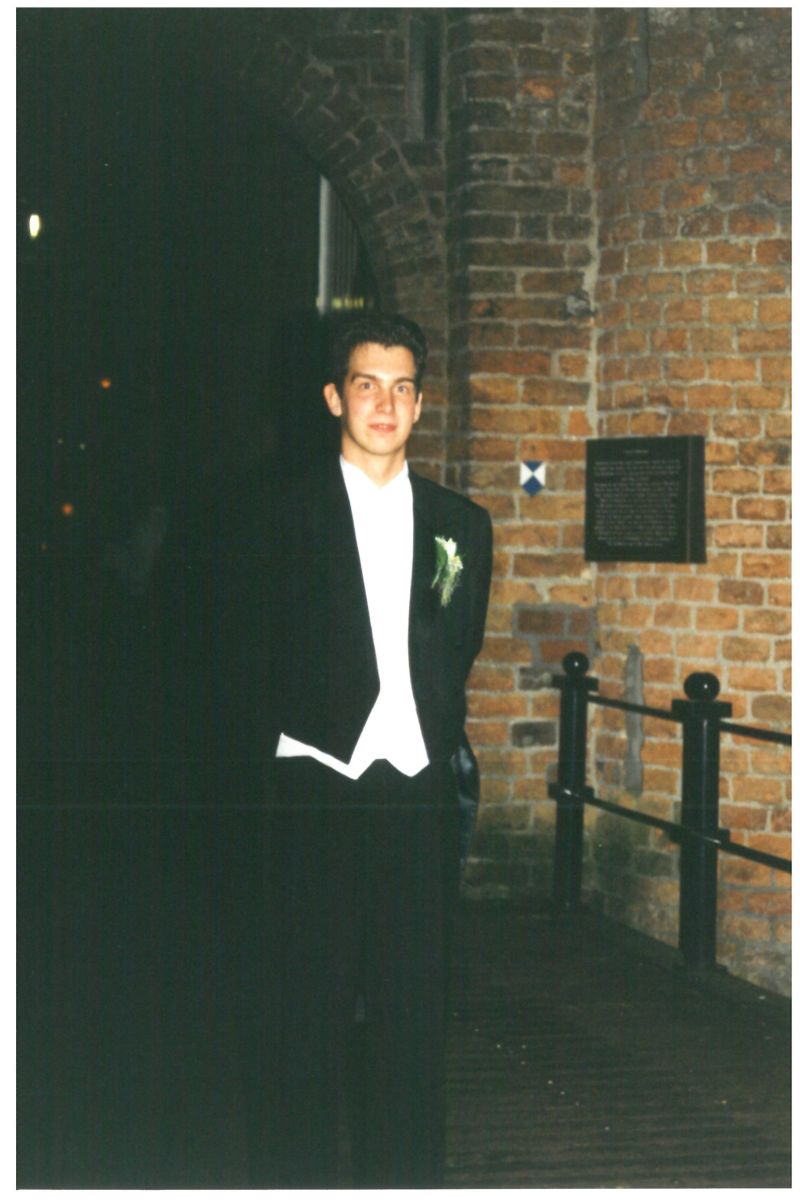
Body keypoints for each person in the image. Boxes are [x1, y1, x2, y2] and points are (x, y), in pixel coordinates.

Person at [243, 313, 493, 1187]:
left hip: (417, 796)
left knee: (412, 1019)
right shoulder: (275, 516)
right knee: (302, 1018)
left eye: (401, 388)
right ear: (332, 397)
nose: (384, 404)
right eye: (365, 385)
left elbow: (457, 646)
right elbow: (245, 659)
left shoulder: (463, 525)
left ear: (419, 405)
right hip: (315, 789)